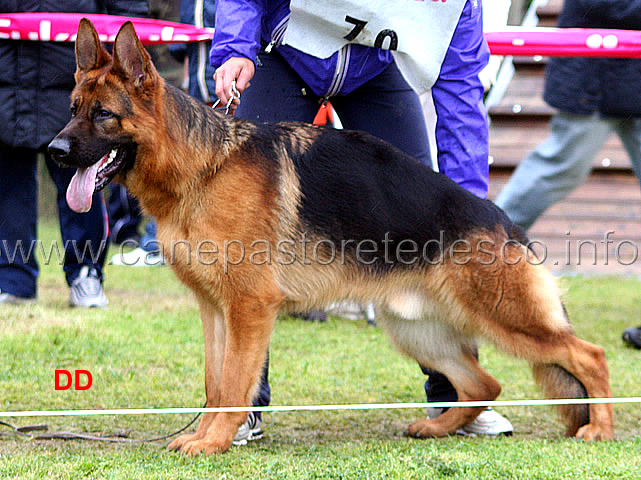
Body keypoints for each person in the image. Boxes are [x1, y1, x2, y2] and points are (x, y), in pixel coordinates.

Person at [211, 0, 512, 437]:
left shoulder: (457, 5)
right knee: (246, 237)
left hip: (375, 67)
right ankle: (240, 406)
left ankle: (457, 396)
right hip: (279, 53)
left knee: (429, 221)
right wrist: (235, 48)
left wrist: (468, 215)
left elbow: (461, 95)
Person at [492, 0, 641, 348]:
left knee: (554, 168)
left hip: (626, 73)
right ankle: (484, 244)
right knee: (556, 168)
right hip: (592, 74)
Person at [0, 0, 148, 307]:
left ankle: (86, 273)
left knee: (84, 185)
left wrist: (122, 54)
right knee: (8, 188)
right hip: (8, 81)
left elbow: (128, 9)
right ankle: (13, 280)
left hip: (77, 84)